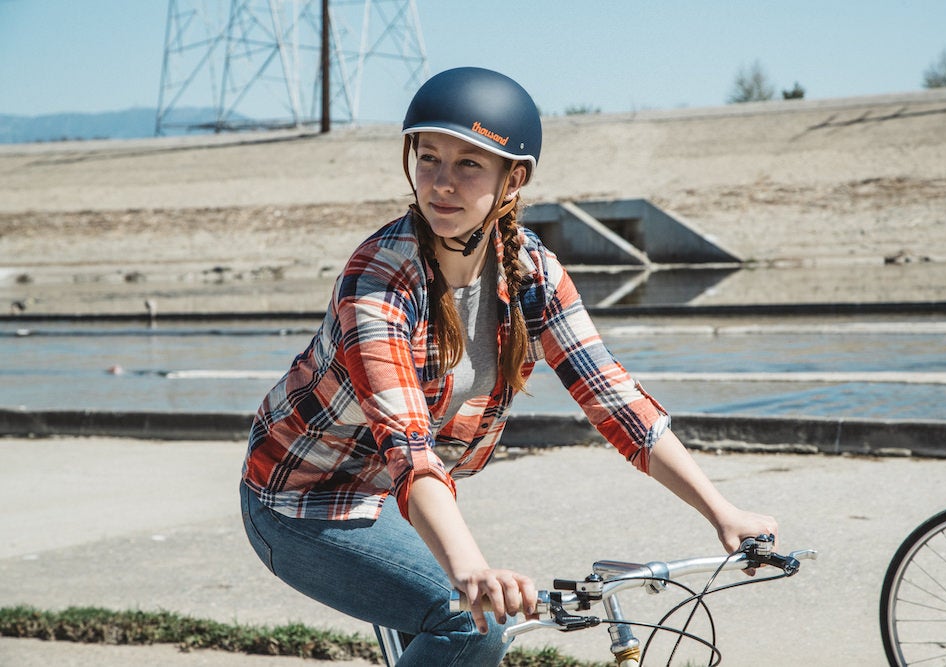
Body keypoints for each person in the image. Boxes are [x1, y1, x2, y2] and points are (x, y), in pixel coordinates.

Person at [240, 66, 777, 665]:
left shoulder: (530, 273)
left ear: (512, 179)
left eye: (469, 164)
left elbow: (614, 400)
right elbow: (409, 446)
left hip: (393, 498)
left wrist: (722, 513)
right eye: (429, 158)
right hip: (300, 500)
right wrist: (470, 569)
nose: (442, 184)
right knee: (472, 626)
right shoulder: (380, 280)